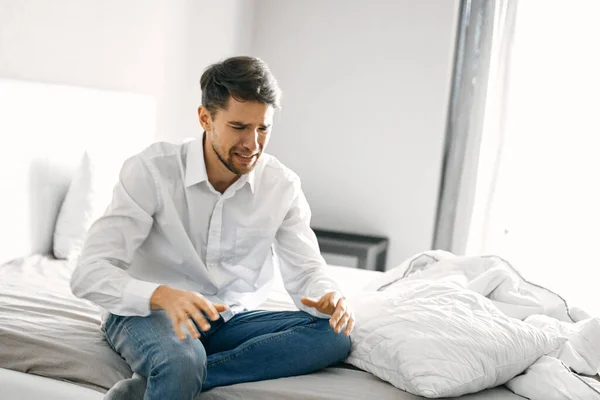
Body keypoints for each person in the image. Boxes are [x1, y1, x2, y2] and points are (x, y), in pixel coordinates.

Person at [71, 56, 354, 399]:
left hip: (228, 319)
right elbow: (88, 273)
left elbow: (307, 270)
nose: (253, 144)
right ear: (205, 118)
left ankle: (159, 384)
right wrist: (163, 295)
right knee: (181, 360)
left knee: (335, 335)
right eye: (239, 127)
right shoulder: (152, 170)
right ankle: (178, 371)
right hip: (150, 312)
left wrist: (329, 295)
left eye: (262, 128)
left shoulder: (282, 185)